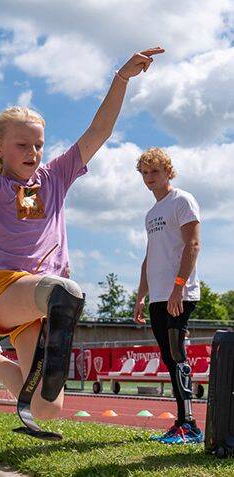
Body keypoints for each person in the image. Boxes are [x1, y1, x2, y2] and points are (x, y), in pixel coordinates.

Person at [0, 28, 163, 426]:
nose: (33, 152)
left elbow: (98, 132)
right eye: (22, 145)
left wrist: (121, 79)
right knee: (61, 290)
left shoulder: (55, 178)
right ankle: (37, 315)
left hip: (44, 304)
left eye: (38, 145)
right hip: (6, 288)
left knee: (48, 408)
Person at [133, 148, 203, 444]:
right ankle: (181, 423)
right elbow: (149, 259)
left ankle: (189, 425)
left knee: (177, 353)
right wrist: (140, 297)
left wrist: (178, 286)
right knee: (168, 356)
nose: (150, 178)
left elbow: (193, 245)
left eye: (155, 172)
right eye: (145, 173)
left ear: (168, 172)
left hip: (180, 293)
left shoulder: (182, 200)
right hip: (159, 297)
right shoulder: (151, 214)